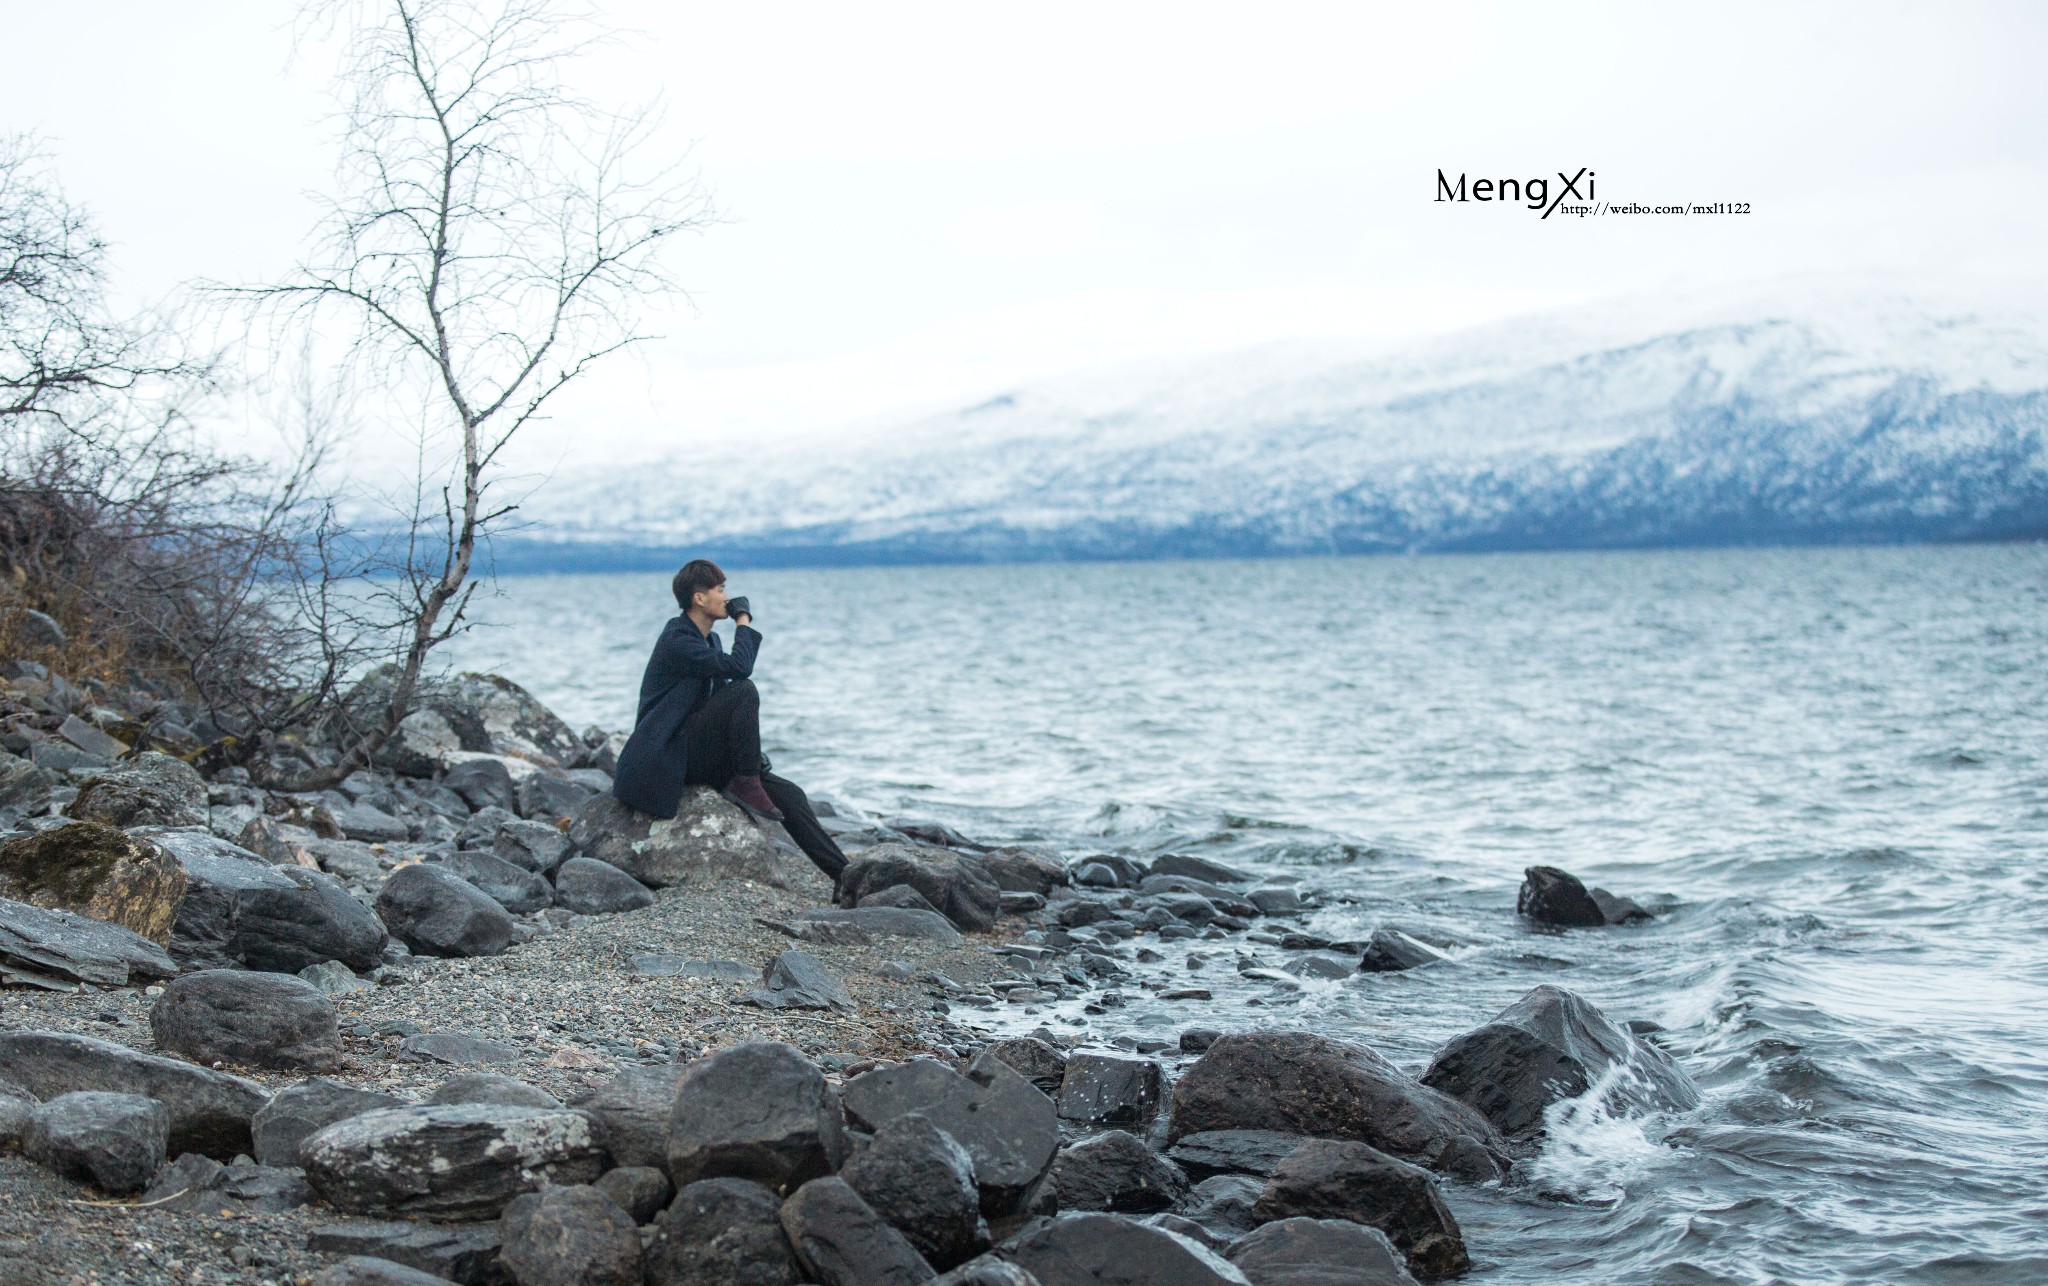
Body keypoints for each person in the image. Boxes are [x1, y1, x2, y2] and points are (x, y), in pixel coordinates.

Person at [610, 559, 848, 883]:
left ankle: (844, 876)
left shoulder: (709, 641)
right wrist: (743, 620)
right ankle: (745, 782)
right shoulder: (677, 639)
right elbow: (740, 670)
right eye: (720, 590)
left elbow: (720, 707)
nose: (727, 597)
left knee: (790, 795)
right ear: (699, 598)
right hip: (665, 757)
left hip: (692, 750)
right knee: (744, 690)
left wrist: (751, 757)